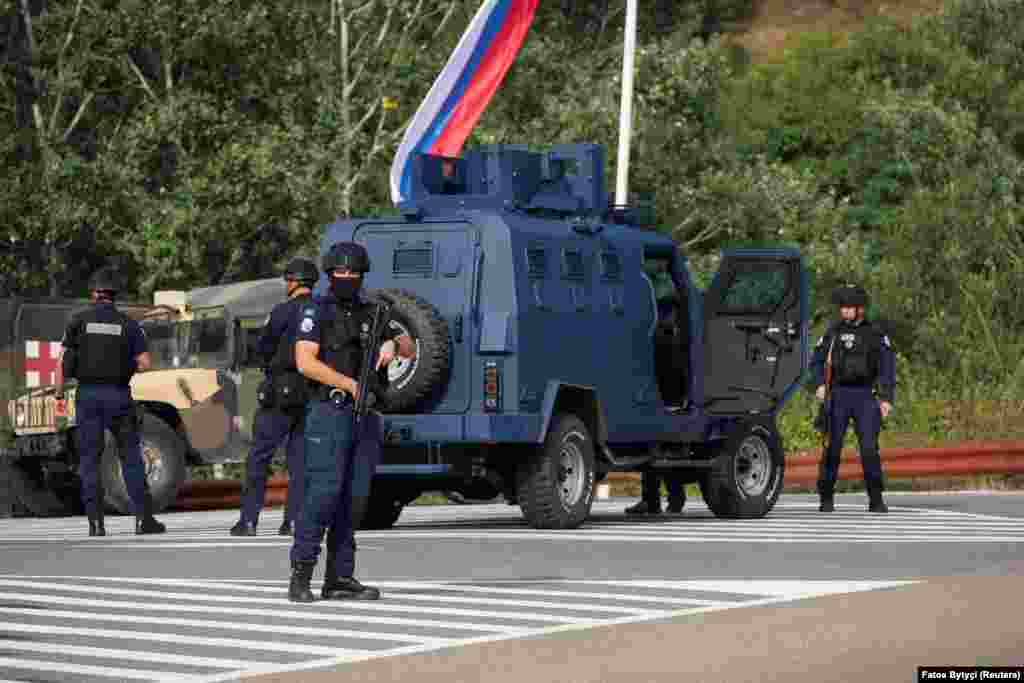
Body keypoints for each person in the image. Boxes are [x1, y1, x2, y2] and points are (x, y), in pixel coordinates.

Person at [287, 242, 417, 603]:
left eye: (353, 273)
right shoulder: (316, 310)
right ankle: (301, 575)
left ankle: (340, 577)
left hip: (367, 416)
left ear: (362, 275)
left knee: (354, 500)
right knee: (322, 495)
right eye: (340, 273)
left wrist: (394, 343)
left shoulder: (374, 311)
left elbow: (409, 349)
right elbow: (305, 362)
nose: (346, 278)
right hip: (331, 410)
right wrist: (349, 384)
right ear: (329, 275)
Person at [60, 268, 166, 536]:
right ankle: (144, 520)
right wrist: (121, 364)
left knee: (89, 460)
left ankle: (96, 524)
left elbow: (63, 362)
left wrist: (60, 392)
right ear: (113, 295)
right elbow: (144, 364)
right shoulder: (129, 324)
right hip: (118, 395)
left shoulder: (78, 321)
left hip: (88, 397)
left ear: (94, 293)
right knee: (130, 457)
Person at [230, 258, 318, 537]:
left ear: (292, 282)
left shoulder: (281, 311)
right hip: (312, 391)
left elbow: (263, 348)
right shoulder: (324, 311)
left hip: (279, 392)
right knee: (301, 461)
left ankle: (249, 521)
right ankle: (292, 521)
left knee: (259, 457)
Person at [810, 283, 896, 514]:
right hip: (837, 395)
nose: (844, 311)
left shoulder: (875, 333)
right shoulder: (833, 331)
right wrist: (818, 384)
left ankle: (876, 499)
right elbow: (816, 360)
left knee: (869, 448)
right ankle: (826, 497)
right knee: (832, 448)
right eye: (842, 307)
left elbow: (887, 367)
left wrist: (886, 398)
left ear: (860, 309)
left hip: (865, 396)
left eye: (849, 307)